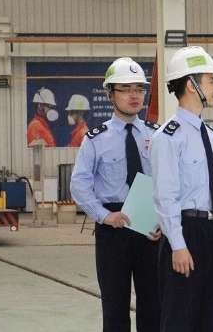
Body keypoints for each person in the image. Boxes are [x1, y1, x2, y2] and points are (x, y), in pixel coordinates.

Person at [70, 57, 162, 332]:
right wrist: (104, 216)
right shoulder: (96, 139)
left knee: (154, 306)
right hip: (113, 228)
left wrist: (163, 220)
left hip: (150, 228)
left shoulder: (157, 136)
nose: (134, 95)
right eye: (125, 89)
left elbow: (168, 182)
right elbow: (79, 184)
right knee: (114, 306)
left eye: (139, 89)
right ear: (110, 94)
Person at [151, 46, 213, 332]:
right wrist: (177, 245)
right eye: (211, 81)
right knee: (181, 318)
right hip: (187, 233)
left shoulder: (212, 137)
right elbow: (165, 196)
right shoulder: (168, 137)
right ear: (192, 85)